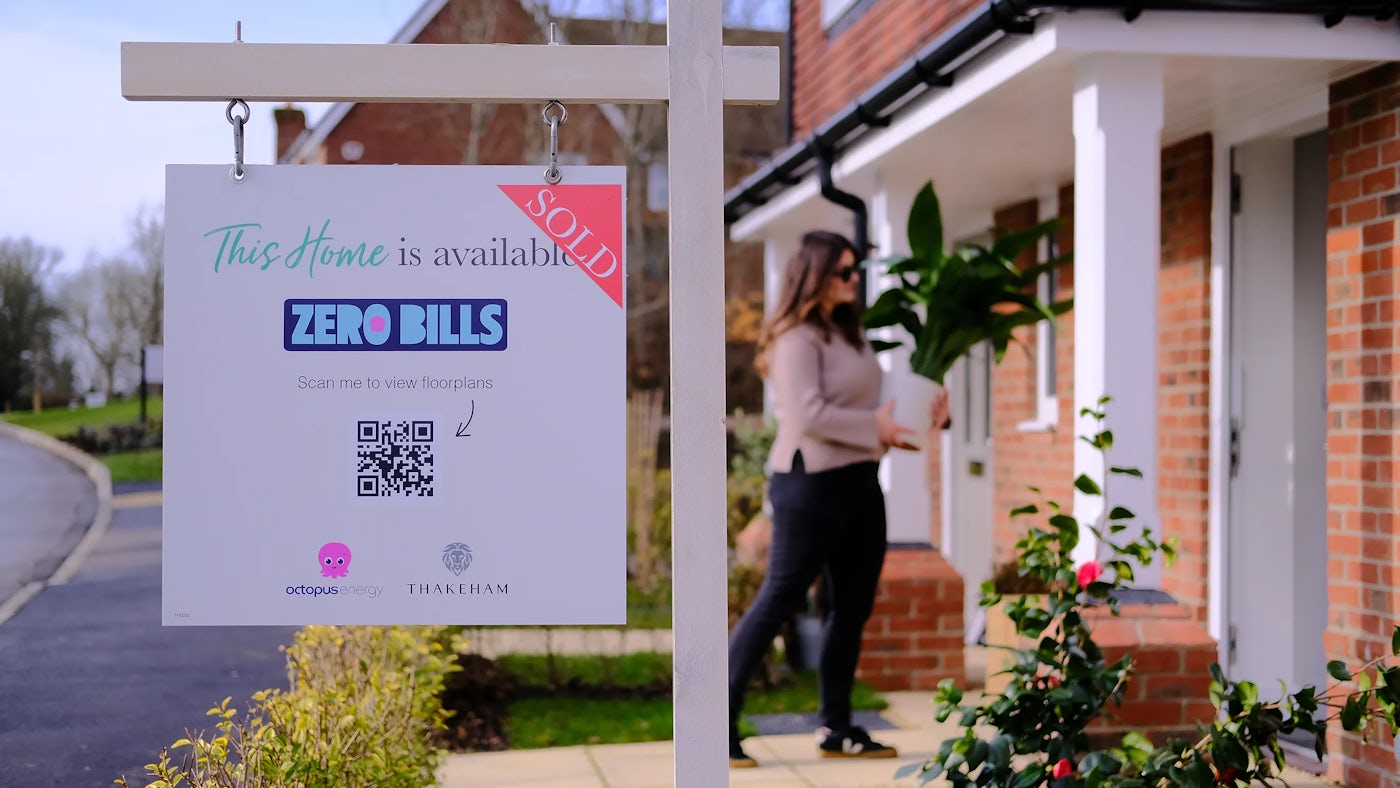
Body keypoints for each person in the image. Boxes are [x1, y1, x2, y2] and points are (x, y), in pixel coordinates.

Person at [727, 229, 950, 769]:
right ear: (816, 275)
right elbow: (806, 415)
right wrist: (876, 426)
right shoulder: (795, 337)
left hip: (859, 483)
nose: (854, 281)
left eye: (856, 272)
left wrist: (921, 419)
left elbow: (874, 409)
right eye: (844, 272)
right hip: (809, 484)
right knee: (780, 598)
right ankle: (717, 723)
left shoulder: (849, 335)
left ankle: (838, 727)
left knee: (850, 608)